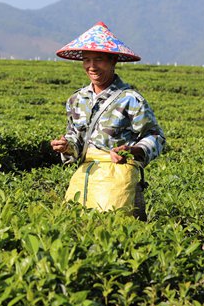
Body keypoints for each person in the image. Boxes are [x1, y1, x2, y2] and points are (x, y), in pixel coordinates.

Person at [50, 22, 165, 219]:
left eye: (99, 60)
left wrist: (133, 151)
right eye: (86, 60)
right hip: (85, 176)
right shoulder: (77, 99)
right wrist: (66, 146)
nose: (91, 66)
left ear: (113, 61)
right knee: (75, 225)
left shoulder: (130, 99)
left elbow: (155, 137)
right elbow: (76, 138)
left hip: (118, 178)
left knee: (116, 230)